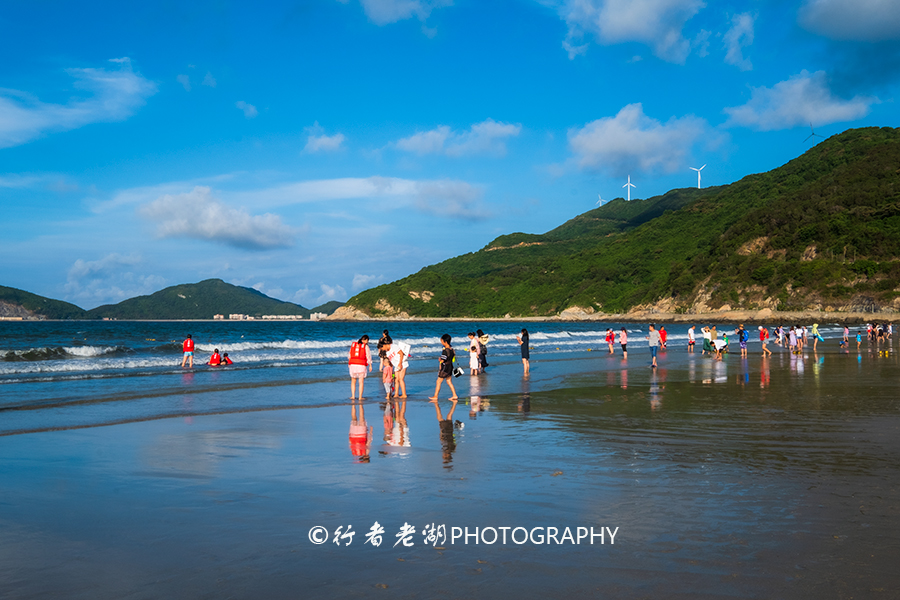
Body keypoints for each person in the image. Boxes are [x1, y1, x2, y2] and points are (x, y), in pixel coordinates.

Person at [429, 334, 458, 401]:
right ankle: (454, 395)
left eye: (442, 341)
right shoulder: (452, 349)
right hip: (450, 366)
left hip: (445, 368)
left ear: (445, 341)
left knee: (438, 382)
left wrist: (440, 360)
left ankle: (435, 396)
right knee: (449, 382)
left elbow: (443, 360)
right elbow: (452, 357)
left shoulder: (445, 350)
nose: (441, 342)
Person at [348, 335, 373, 400]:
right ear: (366, 340)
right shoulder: (365, 346)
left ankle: (353, 396)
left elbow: (350, 354)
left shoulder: (354, 345)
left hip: (353, 364)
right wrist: (370, 365)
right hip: (361, 365)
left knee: (353, 381)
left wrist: (349, 363)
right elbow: (368, 356)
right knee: (361, 382)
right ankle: (360, 397)